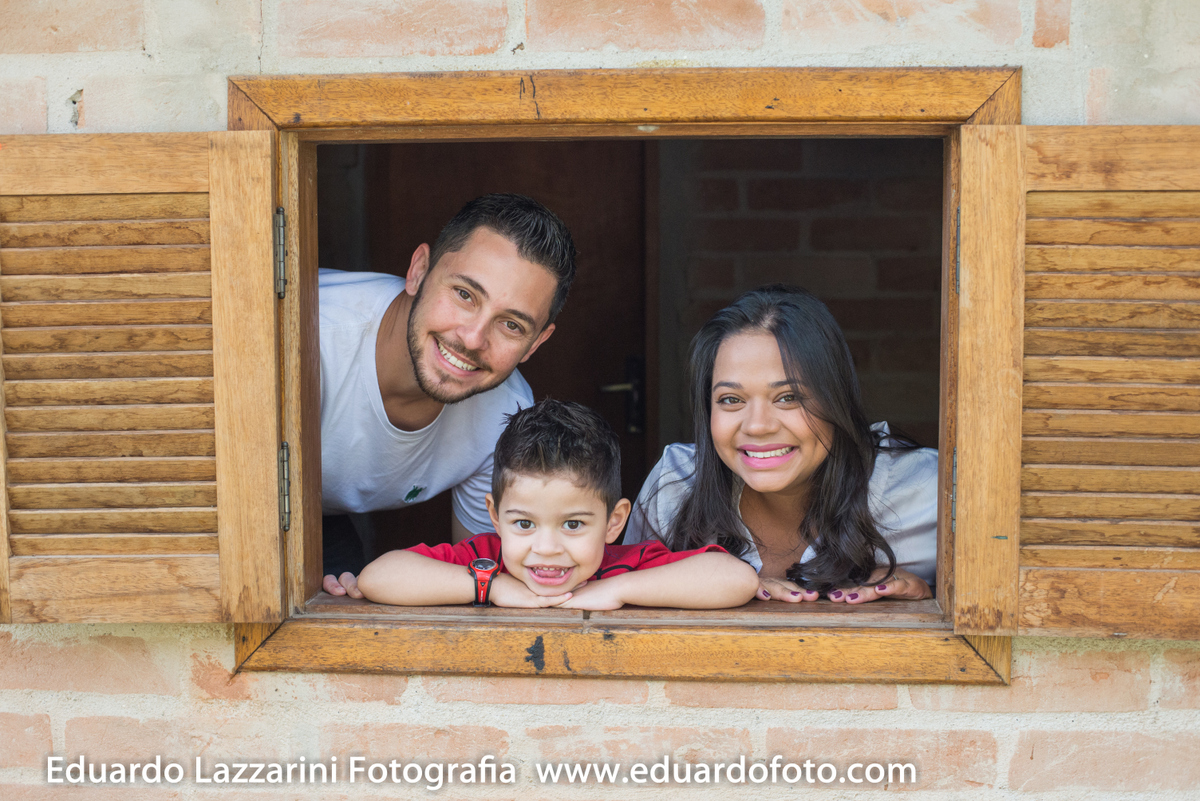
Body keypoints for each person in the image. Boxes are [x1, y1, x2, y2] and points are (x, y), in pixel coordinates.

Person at [320, 194, 575, 598]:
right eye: (464, 295)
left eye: (511, 325)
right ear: (419, 271)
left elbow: (477, 574)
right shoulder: (313, 342)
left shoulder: (505, 418)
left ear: (535, 345)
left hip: (328, 517)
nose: (473, 339)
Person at [625, 285, 937, 605]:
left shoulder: (927, 492)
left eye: (788, 397)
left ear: (836, 401)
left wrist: (937, 597)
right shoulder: (676, 486)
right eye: (731, 399)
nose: (758, 425)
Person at [356, 400, 760, 610]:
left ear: (614, 522)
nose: (546, 548)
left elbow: (737, 579)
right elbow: (378, 577)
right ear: (495, 517)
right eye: (524, 524)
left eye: (572, 525)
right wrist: (491, 588)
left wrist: (616, 590)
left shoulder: (625, 564)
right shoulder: (484, 560)